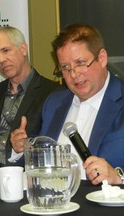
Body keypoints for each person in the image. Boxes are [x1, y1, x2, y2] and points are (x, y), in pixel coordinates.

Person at [11, 23, 124, 185]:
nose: (74, 74)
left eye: (80, 63)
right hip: (54, 201)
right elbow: (38, 153)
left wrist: (119, 177)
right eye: (65, 67)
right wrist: (21, 148)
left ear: (102, 58)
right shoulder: (54, 102)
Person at [0, 26, 62, 167]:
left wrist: (26, 145)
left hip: (19, 174)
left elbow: (51, 148)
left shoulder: (52, 93)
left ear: (23, 49)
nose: (1, 60)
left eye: (5, 50)